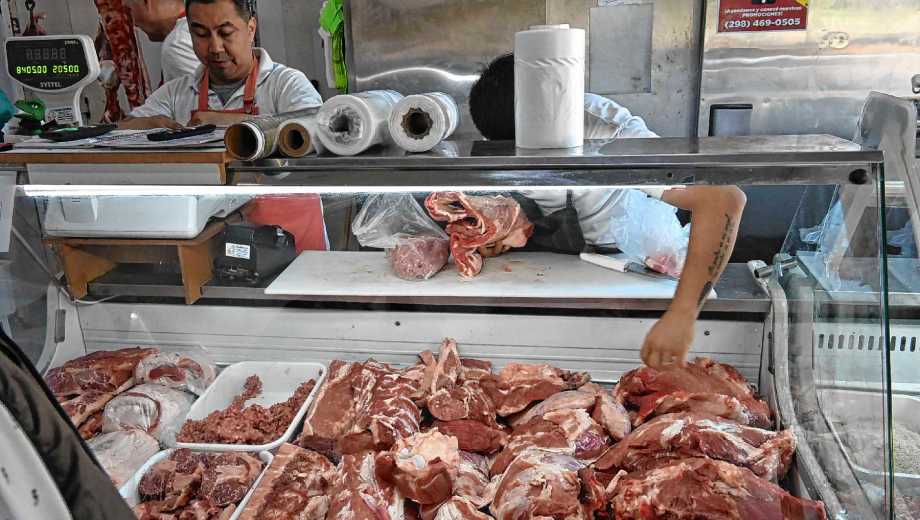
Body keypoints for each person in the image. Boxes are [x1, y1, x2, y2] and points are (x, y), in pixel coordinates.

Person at [468, 54, 747, 370]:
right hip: (546, 266)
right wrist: (501, 229)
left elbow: (722, 200)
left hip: (622, 265)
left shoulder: (613, 131)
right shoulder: (501, 126)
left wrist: (682, 316)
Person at [120, 0, 322, 130]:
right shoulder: (175, 94)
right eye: (201, 34)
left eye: (225, 33)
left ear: (251, 29)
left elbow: (318, 125)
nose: (215, 48)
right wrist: (150, 124)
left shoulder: (285, 83)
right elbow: (118, 130)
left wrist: (229, 121)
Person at [126, 0, 199, 83]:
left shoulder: (177, 44)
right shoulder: (191, 27)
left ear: (146, 2)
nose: (134, 24)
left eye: (130, 10)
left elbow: (204, 90)